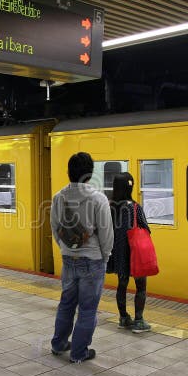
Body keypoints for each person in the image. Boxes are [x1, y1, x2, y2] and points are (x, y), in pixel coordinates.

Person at [50, 152, 114, 363]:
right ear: (90, 173)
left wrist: (66, 248)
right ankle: (79, 352)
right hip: (92, 260)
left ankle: (59, 344)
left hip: (68, 259)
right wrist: (105, 257)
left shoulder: (59, 197)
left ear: (68, 172)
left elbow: (55, 228)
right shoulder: (98, 198)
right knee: (87, 308)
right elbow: (106, 233)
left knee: (66, 303)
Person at [107, 172, 152, 333]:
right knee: (141, 287)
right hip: (135, 253)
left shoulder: (109, 206)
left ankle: (123, 318)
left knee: (122, 285)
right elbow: (146, 228)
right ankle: (139, 321)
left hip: (118, 252)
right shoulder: (134, 207)